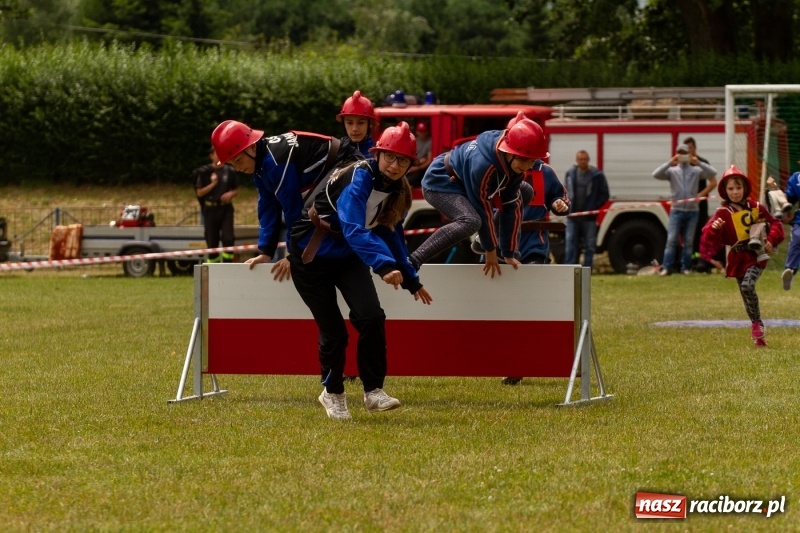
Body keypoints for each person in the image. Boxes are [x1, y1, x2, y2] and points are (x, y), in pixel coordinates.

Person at [289, 122, 433, 420]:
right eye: (390, 157)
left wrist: (410, 279)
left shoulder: (395, 190)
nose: (395, 165)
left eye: (403, 160)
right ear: (377, 154)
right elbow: (354, 228)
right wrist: (382, 265)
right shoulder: (358, 177)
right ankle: (332, 393)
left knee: (371, 316)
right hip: (310, 258)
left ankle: (374, 392)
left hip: (347, 256)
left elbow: (392, 234)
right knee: (335, 334)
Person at [210, 120, 360, 278]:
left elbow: (292, 209)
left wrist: (293, 256)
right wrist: (266, 251)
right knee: (310, 212)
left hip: (348, 163)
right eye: (232, 164)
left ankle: (342, 263)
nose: (238, 169)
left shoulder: (275, 163)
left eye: (239, 160)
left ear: (252, 147)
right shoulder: (260, 166)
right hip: (333, 168)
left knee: (313, 213)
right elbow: (268, 208)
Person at [408, 118, 549, 277]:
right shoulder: (484, 165)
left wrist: (509, 252)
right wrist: (490, 250)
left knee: (525, 192)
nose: (527, 166)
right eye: (523, 160)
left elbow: (511, 206)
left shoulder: (515, 163)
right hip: (441, 182)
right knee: (471, 221)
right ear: (508, 151)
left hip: (465, 180)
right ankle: (413, 260)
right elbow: (483, 208)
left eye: (532, 161)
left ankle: (483, 243)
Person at [700, 165, 784, 347]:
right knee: (746, 295)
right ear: (724, 191)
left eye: (738, 188)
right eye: (731, 189)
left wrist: (770, 239)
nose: (735, 192)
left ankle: (757, 325)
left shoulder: (757, 207)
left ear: (745, 188)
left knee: (748, 286)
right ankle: (758, 330)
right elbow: (707, 234)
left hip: (756, 256)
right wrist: (714, 229)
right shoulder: (722, 213)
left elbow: (776, 224)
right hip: (737, 259)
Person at [653, 143, 717, 276]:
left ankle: (686, 268)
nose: (682, 156)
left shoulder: (696, 171)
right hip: (676, 210)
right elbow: (656, 174)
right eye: (680, 153)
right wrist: (670, 162)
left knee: (688, 242)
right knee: (671, 240)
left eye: (684, 153)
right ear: (676, 154)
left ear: (689, 154)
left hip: (692, 211)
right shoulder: (672, 171)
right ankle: (666, 267)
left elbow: (713, 173)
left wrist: (698, 162)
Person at [563, 150, 609, 268]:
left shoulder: (597, 175)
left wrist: (594, 207)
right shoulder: (570, 173)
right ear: (577, 160)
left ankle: (587, 268)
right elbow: (565, 191)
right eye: (580, 159)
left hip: (589, 217)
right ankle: (570, 268)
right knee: (571, 243)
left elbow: (604, 194)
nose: (582, 161)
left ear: (588, 160)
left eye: (584, 159)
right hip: (573, 216)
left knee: (590, 245)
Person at [194, 146, 240, 262]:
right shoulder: (204, 172)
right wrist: (213, 184)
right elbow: (199, 192)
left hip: (225, 209)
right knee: (212, 240)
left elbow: (236, 189)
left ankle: (228, 264)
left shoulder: (229, 171)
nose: (219, 156)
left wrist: (231, 194)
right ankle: (213, 267)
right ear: (211, 156)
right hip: (210, 209)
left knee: (228, 238)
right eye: (216, 154)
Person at [683, 136, 718, 272]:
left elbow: (713, 182)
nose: (688, 151)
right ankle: (689, 261)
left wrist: (700, 195)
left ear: (695, 148)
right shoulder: (683, 164)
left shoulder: (702, 163)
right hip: (686, 206)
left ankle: (702, 261)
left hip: (700, 205)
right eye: (686, 149)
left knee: (701, 232)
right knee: (688, 234)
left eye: (690, 148)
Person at [775, 171, 800, 290]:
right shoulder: (796, 178)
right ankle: (790, 270)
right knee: (797, 239)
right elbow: (790, 198)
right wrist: (777, 193)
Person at [337, 90, 375, 160]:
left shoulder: (378, 154)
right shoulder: (335, 151)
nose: (354, 129)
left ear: (370, 123)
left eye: (360, 123)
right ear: (344, 123)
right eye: (350, 123)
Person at [405, 122, 433, 187]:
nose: (422, 133)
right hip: (414, 164)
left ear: (427, 131)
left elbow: (429, 161)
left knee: (409, 180)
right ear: (417, 132)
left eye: (423, 131)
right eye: (420, 131)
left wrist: (416, 168)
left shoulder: (430, 142)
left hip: (422, 168)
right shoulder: (414, 140)